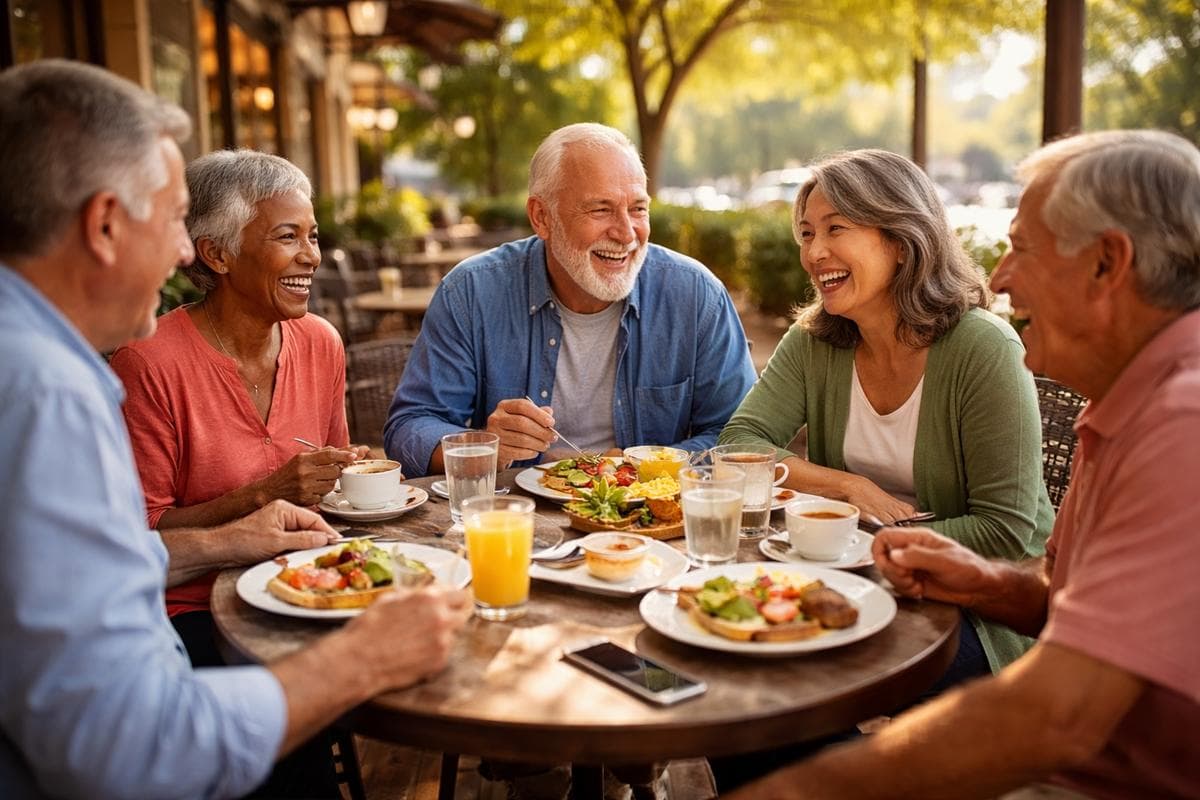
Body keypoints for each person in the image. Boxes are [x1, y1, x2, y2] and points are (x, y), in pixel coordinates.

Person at [0, 59, 471, 799]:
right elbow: (119, 744)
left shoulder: (39, 364)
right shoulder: (47, 392)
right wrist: (361, 661)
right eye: (169, 219)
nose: (182, 252)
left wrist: (252, 536)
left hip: (286, 590)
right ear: (103, 224)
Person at [725, 130, 1200, 800]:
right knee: (757, 690)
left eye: (1022, 247)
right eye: (806, 232)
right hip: (972, 648)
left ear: (1105, 264)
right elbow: (1081, 610)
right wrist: (988, 584)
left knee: (773, 706)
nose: (999, 277)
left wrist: (799, 793)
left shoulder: (1181, 422)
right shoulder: (1126, 405)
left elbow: (1054, 716)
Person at [720, 148, 1053, 681]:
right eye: (806, 233)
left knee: (788, 678)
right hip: (852, 580)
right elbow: (740, 445)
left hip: (977, 606)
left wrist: (864, 544)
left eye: (836, 228)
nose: (814, 252)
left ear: (900, 241)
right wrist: (846, 488)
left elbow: (1005, 531)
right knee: (739, 659)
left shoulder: (982, 348)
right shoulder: (815, 341)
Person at [109, 149, 367, 668]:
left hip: (307, 580)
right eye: (287, 236)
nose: (312, 255)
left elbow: (338, 480)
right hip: (195, 608)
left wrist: (350, 475)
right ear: (217, 254)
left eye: (312, 235)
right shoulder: (148, 363)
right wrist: (264, 495)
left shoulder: (320, 342)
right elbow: (141, 531)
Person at [384, 122, 756, 477]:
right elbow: (408, 428)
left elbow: (742, 435)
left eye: (638, 209)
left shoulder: (695, 294)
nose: (627, 233)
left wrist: (649, 464)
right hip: (517, 519)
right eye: (600, 209)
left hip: (651, 524)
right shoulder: (470, 293)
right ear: (541, 217)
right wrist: (483, 445)